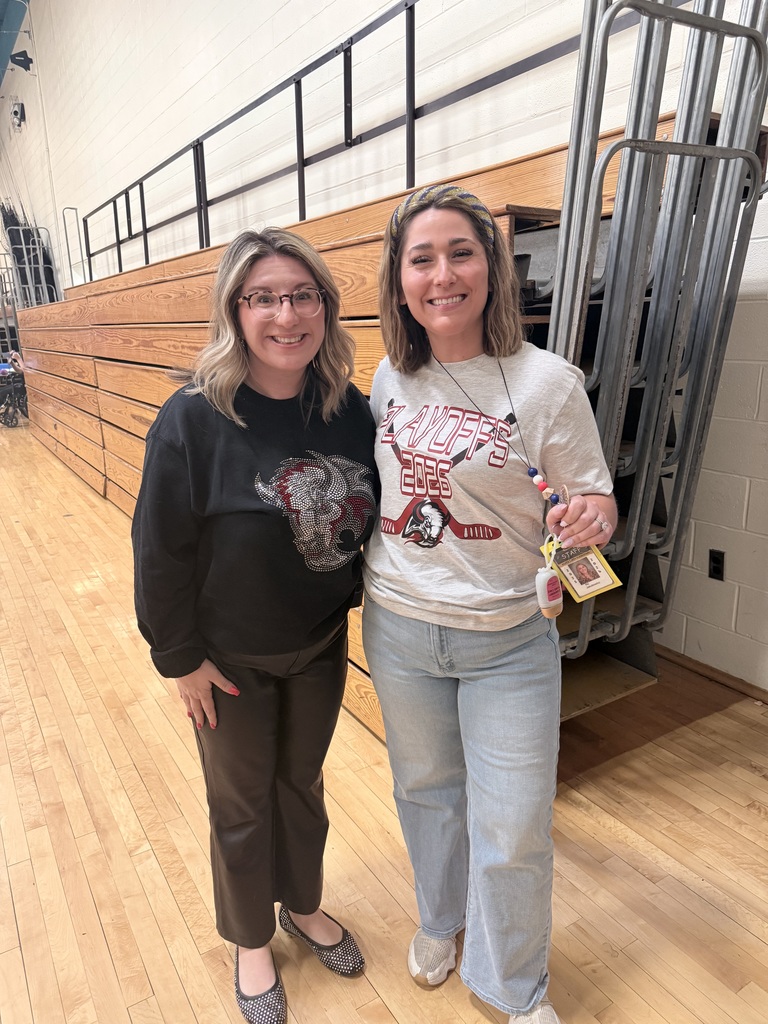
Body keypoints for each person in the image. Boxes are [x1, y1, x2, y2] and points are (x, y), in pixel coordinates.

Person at [361, 185, 617, 1024]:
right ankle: (441, 921)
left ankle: (513, 986)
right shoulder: (387, 375)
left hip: (509, 639)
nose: (442, 274)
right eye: (421, 258)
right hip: (400, 627)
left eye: (460, 253)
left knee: (513, 827)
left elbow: (595, 504)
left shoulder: (548, 384)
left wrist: (590, 517)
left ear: (493, 266)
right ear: (400, 278)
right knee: (426, 791)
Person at [132, 228, 378, 1024]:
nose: (286, 314)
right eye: (263, 297)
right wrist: (180, 660)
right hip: (225, 660)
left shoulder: (349, 411)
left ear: (326, 310)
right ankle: (248, 941)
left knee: (299, 786)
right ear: (235, 311)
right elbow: (159, 547)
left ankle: (301, 907)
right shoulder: (193, 419)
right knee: (240, 802)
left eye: (303, 296)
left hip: (318, 647)